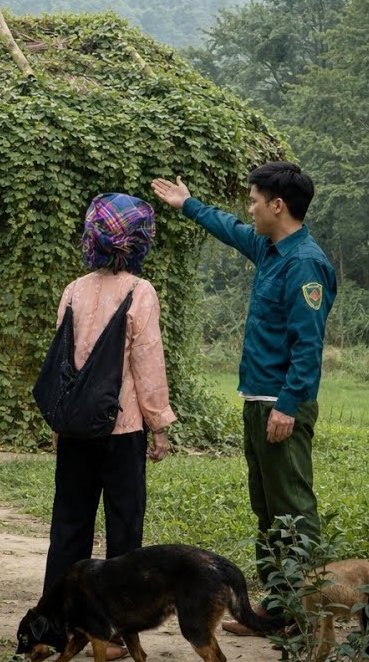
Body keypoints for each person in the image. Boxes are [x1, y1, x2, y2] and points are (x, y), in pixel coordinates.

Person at [150, 162, 336, 635]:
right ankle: (274, 610)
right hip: (258, 400)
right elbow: (231, 230)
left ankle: (301, 611)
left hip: (281, 405)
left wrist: (288, 406)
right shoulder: (271, 249)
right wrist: (186, 204)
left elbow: (308, 347)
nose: (248, 208)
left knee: (292, 509)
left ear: (278, 205)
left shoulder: (305, 263)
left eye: (254, 200)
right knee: (267, 508)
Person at [42, 192, 176, 661]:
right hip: (123, 431)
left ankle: (54, 627)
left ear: (91, 239)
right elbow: (147, 363)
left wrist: (60, 423)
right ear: (139, 243)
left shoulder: (74, 290)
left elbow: (64, 364)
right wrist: (159, 426)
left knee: (69, 527)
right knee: (124, 534)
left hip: (77, 430)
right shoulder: (141, 292)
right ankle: (115, 633)